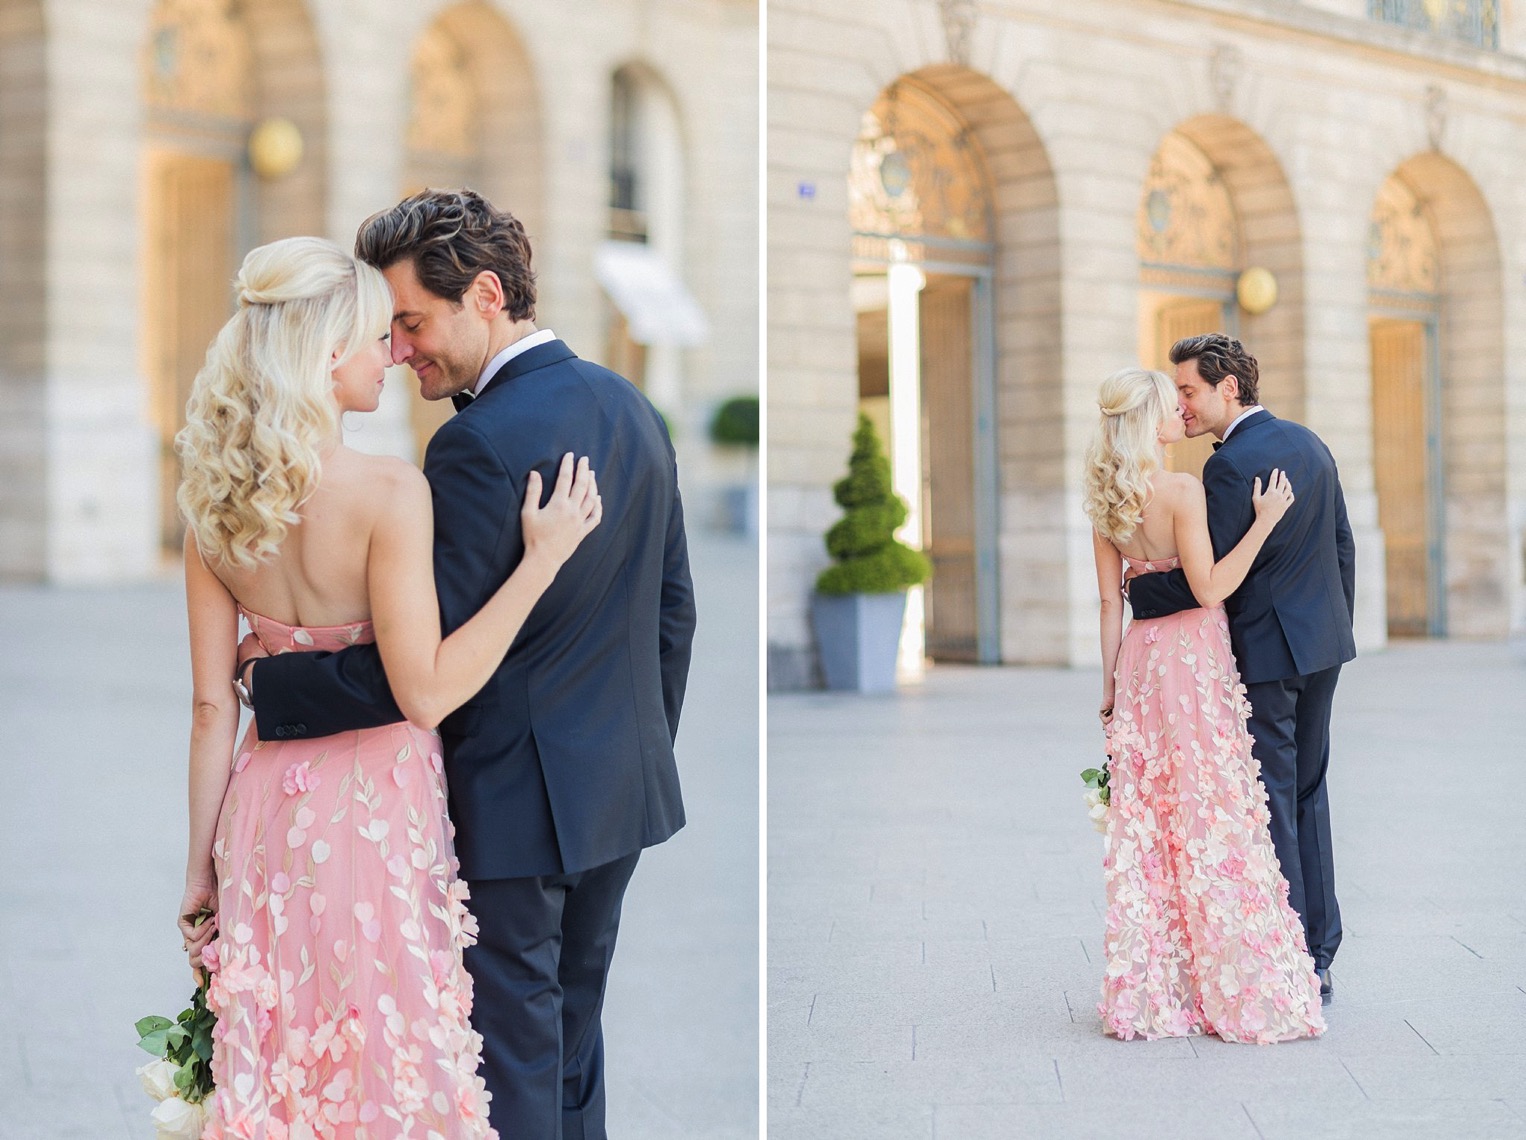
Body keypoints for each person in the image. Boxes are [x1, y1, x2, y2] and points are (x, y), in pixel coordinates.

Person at [240, 189, 696, 1139]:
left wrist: (270, 680)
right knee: (572, 1044)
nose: (402, 351)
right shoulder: (633, 408)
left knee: (510, 1058)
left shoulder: (475, 445)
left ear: (486, 294)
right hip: (620, 795)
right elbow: (673, 615)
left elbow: (417, 666)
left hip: (509, 812)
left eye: (412, 322)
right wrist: (633, 752)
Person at [175, 235, 602, 1136]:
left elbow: (213, 709)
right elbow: (427, 692)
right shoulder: (388, 492)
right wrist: (541, 562)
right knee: (392, 1045)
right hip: (376, 810)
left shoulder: (212, 509)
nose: (394, 355)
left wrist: (198, 867)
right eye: (378, 338)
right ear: (329, 355)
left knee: (284, 1045)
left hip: (264, 822)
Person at [1085, 366, 1325, 1044]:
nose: (1177, 415)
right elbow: (1212, 587)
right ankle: (1231, 980)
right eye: (1169, 405)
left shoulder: (1106, 497)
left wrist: (1106, 687)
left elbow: (1110, 604)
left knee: (1154, 816)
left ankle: (1163, 984)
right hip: (1191, 661)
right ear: (1149, 421)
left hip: (1138, 663)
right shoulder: (1180, 490)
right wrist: (1263, 523)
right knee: (1211, 809)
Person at [1128, 334, 1354, 1005]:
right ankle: (1320, 949)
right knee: (1309, 794)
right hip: (1322, 647)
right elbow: (1341, 545)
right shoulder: (1311, 443)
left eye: (1191, 391)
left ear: (1229, 388)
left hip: (1264, 658)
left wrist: (1139, 585)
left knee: (1271, 800)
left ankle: (1289, 954)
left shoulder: (1226, 470)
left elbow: (1211, 580)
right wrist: (1336, 628)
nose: (1184, 406)